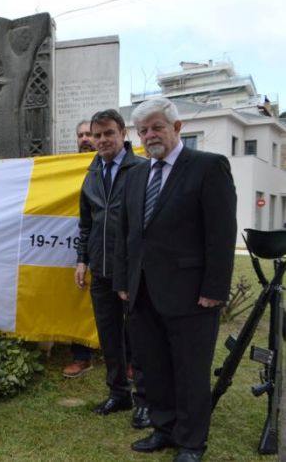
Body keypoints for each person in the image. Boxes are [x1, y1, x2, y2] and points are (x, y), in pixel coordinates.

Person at [114, 98, 236, 462]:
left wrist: (215, 289)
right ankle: (164, 429)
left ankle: (191, 443)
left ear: (177, 128)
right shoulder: (135, 174)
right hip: (142, 291)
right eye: (143, 130)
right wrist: (124, 281)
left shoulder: (208, 167)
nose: (150, 135)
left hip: (191, 295)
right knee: (154, 368)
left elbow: (221, 233)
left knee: (190, 372)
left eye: (157, 127)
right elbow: (127, 235)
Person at [74, 109, 149, 428]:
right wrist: (82, 259)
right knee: (109, 336)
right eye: (97, 134)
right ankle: (119, 393)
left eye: (108, 134)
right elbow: (86, 222)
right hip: (100, 269)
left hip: (133, 272)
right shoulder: (91, 172)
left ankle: (146, 400)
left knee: (141, 337)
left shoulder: (143, 169)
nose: (102, 140)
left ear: (123, 134)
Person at [62, 120, 96, 378]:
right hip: (76, 246)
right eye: (81, 135)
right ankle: (82, 356)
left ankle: (130, 358)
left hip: (113, 249)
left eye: (90, 134)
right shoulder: (66, 170)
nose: (85, 139)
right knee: (78, 299)